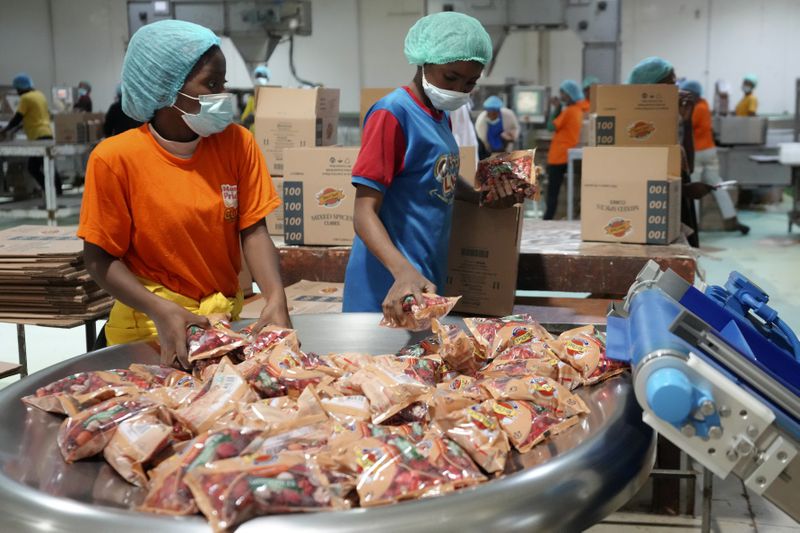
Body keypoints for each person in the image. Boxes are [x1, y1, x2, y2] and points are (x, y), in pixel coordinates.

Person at [78, 20, 290, 367]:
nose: (223, 93)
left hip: (220, 324)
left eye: (223, 82)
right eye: (211, 83)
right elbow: (99, 259)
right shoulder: (116, 159)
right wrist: (159, 309)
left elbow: (253, 230)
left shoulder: (237, 144)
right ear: (166, 88)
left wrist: (275, 295)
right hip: (151, 330)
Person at [342, 12, 512, 326]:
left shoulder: (439, 115)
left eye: (470, 83)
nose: (460, 89)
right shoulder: (392, 114)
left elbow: (439, 177)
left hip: (423, 280)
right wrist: (402, 270)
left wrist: (480, 196)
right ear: (424, 61)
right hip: (388, 285)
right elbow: (363, 212)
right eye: (451, 78)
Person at [627, 56, 713, 248]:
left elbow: (684, 163)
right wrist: (685, 190)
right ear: (652, 89)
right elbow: (636, 183)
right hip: (654, 217)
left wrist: (687, 122)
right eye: (671, 83)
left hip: (677, 209)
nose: (677, 90)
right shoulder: (636, 129)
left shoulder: (663, 122)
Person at [681, 80, 749, 235]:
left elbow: (683, 123)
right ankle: (731, 218)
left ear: (693, 95)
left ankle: (694, 224)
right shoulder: (704, 105)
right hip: (710, 151)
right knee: (717, 184)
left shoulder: (695, 109)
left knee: (693, 186)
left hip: (697, 152)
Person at [0, 73, 64, 196]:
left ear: (21, 87)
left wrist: (5, 130)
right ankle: (56, 190)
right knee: (46, 165)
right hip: (47, 133)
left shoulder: (26, 98)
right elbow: (34, 116)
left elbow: (18, 117)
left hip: (37, 135)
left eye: (17, 89)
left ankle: (52, 192)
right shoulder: (40, 95)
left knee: (35, 167)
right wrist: (17, 128)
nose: (17, 92)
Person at [543, 80, 584, 220]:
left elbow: (550, 127)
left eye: (562, 93)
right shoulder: (577, 110)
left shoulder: (569, 112)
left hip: (559, 156)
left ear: (569, 94)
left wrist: (556, 108)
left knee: (553, 190)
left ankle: (548, 217)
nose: (560, 96)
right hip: (566, 153)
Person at [241, 65, 271, 131]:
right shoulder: (252, 98)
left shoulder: (271, 98)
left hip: (265, 131)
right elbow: (244, 117)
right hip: (255, 133)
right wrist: (248, 119)